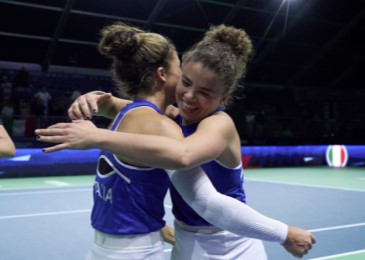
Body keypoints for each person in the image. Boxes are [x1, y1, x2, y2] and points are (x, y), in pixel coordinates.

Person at [36, 24, 315, 259]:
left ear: (223, 99)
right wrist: (94, 98)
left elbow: (184, 157)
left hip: (230, 243)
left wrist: (283, 233)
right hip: (186, 240)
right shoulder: (174, 116)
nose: (190, 96)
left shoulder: (218, 124)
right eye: (187, 81)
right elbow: (125, 107)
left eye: (205, 92)